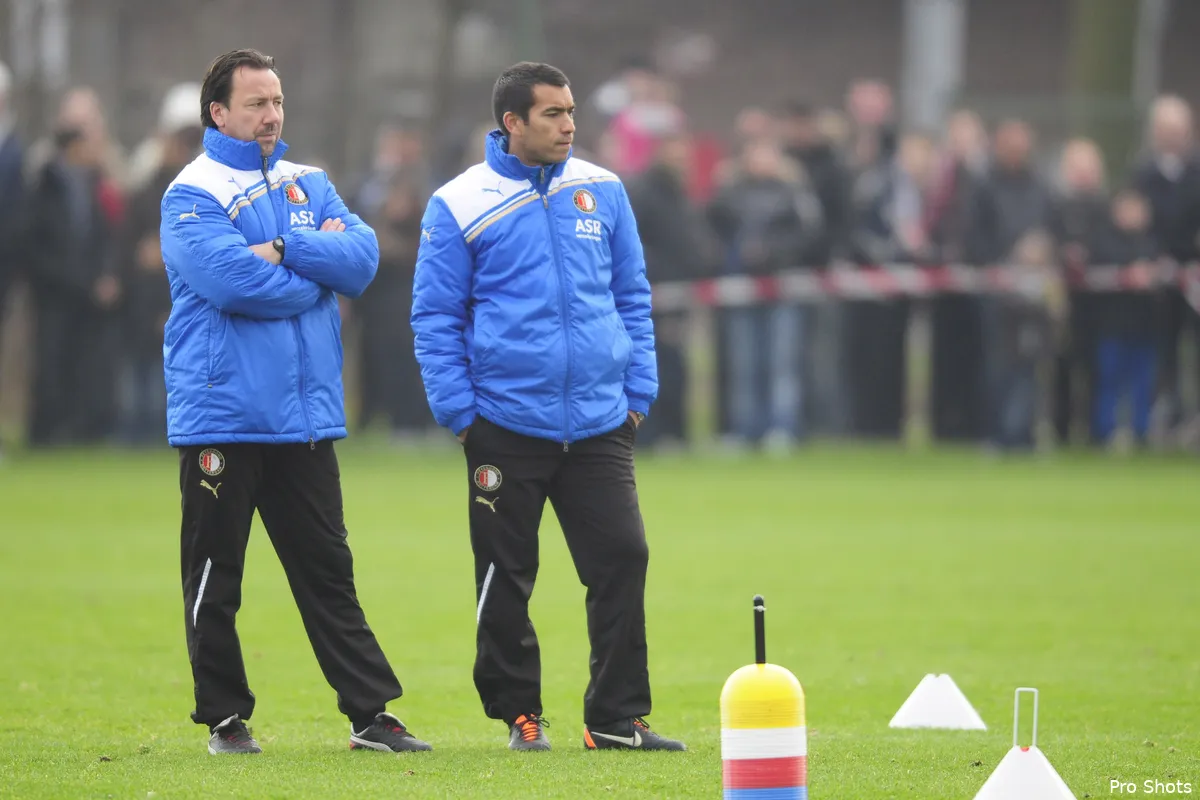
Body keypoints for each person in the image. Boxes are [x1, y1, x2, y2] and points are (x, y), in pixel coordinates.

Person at [159, 49, 430, 756]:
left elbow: (364, 259)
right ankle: (224, 719)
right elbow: (233, 285)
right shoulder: (192, 192)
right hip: (223, 413)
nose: (272, 114)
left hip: (304, 417)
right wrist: (316, 273)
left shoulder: (309, 180)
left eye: (276, 101)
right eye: (256, 103)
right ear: (218, 113)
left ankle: (371, 715)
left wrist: (282, 247)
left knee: (328, 574)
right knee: (216, 576)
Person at [411, 61, 686, 753]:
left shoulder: (604, 189)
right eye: (553, 114)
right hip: (504, 424)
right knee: (507, 574)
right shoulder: (458, 203)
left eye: (571, 112)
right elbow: (435, 317)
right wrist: (461, 414)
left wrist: (638, 395)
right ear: (512, 123)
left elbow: (632, 296)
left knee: (624, 556)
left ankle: (616, 718)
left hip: (600, 422)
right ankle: (519, 714)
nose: (569, 125)